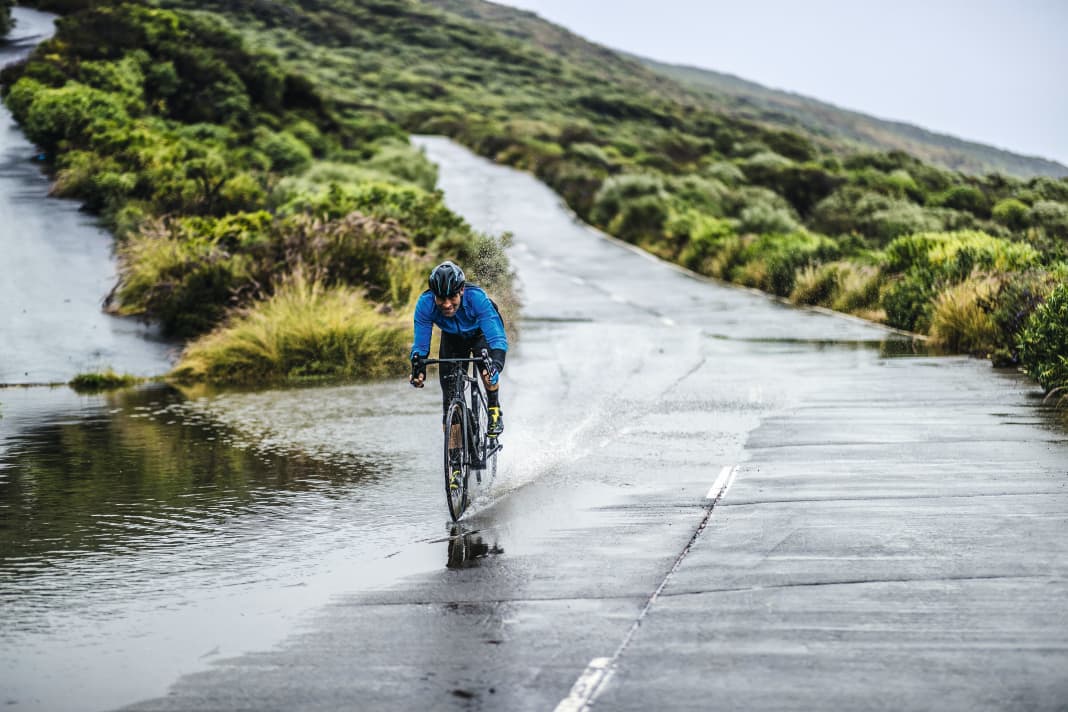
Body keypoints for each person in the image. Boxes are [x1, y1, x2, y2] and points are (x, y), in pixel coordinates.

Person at [409, 261, 508, 444]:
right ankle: (455, 459)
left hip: (481, 334)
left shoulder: (476, 298)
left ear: (461, 290)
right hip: (453, 338)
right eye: (441, 298)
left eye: (452, 297)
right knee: (449, 400)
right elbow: (421, 346)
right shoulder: (425, 304)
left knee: (488, 372)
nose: (446, 304)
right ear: (433, 295)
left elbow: (497, 339)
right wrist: (418, 368)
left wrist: (496, 364)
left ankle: (494, 408)